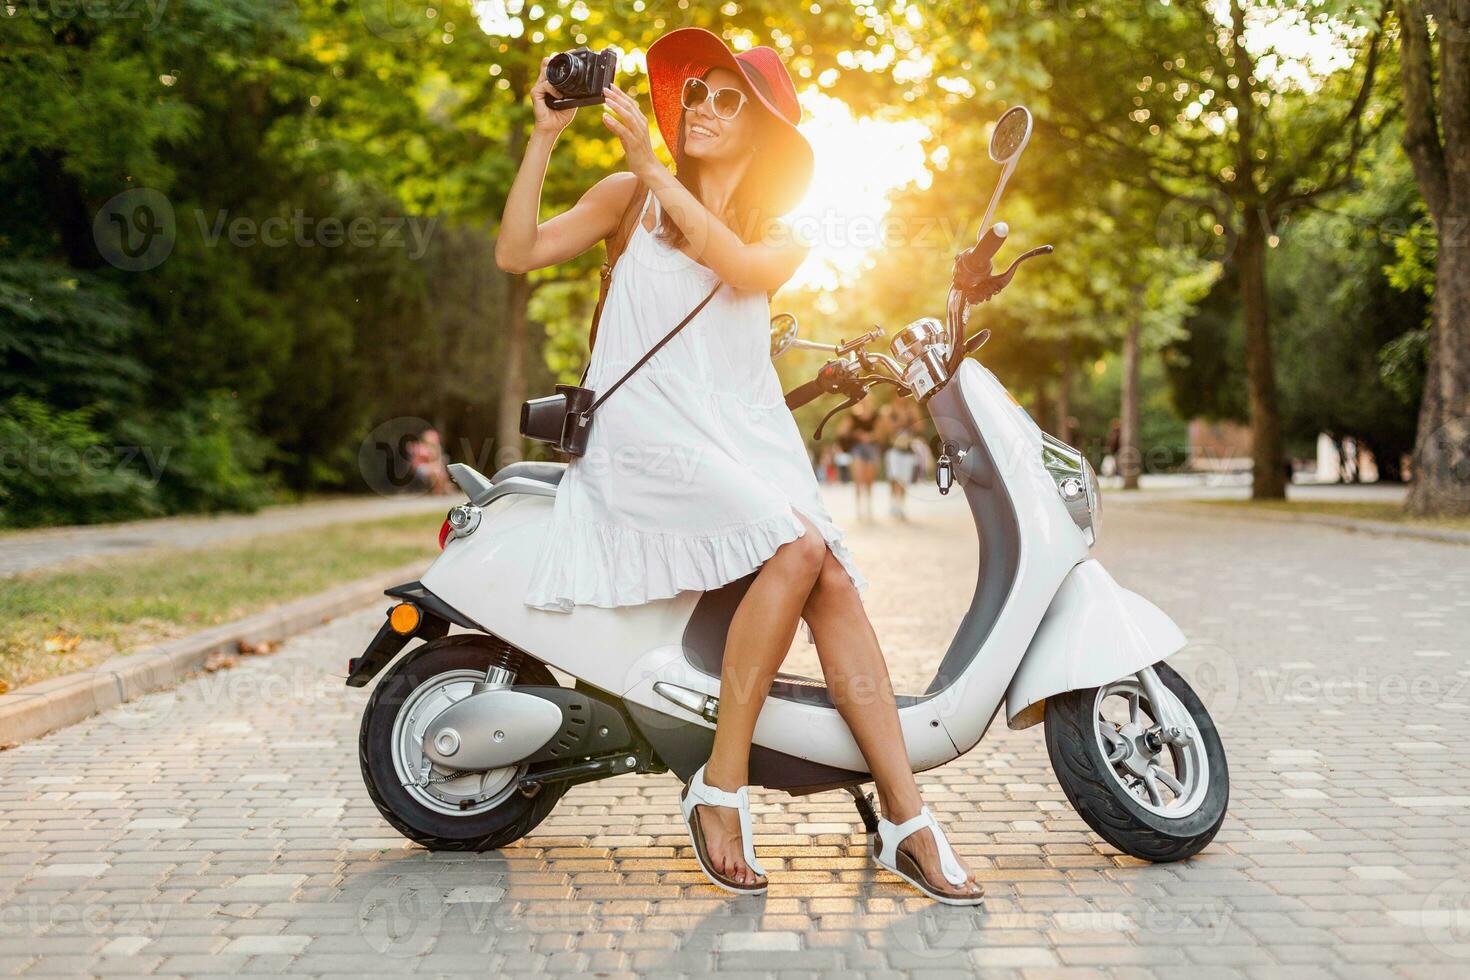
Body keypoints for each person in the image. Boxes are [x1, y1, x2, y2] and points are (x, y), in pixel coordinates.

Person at [494, 26, 981, 904]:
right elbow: (516, 252)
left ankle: (907, 818)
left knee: (829, 573)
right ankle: (721, 785)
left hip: (737, 440)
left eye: (730, 101)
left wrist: (656, 171)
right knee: (800, 550)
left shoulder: (783, 233)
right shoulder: (625, 197)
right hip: (644, 438)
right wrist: (544, 138)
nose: (704, 109)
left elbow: (746, 269)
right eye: (698, 95)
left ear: (762, 134)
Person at [844, 400, 880, 523]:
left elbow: (880, 433)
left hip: (871, 448)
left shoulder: (875, 415)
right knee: (858, 479)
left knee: (869, 479)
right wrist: (856, 434)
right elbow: (842, 431)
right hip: (857, 448)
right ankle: (859, 508)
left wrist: (869, 436)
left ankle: (869, 507)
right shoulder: (853, 416)